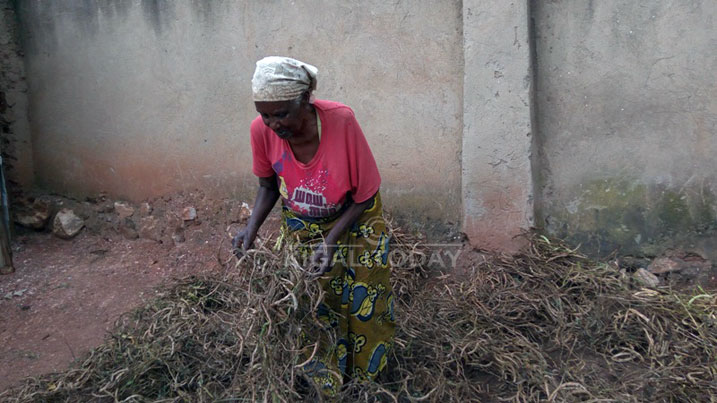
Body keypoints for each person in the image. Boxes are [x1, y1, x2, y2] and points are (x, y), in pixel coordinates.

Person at [233, 56, 395, 395]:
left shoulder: (341, 121)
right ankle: (326, 382)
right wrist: (252, 229)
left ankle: (368, 382)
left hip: (357, 219)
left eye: (281, 114)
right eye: (265, 114)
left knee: (364, 300)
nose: (273, 124)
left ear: (305, 100)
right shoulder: (260, 131)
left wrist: (333, 240)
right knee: (316, 302)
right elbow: (267, 187)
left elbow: (365, 194)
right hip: (302, 224)